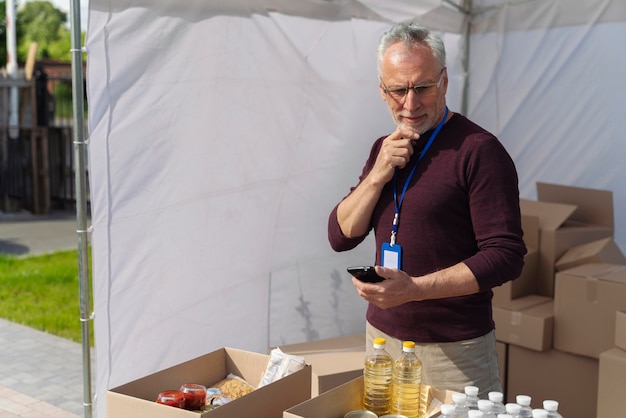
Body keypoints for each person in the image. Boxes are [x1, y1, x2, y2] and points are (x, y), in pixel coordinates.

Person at [327, 22, 526, 396]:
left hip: (453, 351)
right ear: (382, 91)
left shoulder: (480, 151)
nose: (410, 103)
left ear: (445, 82)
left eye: (422, 87)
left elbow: (506, 256)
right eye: (398, 90)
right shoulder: (383, 148)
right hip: (382, 341)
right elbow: (340, 237)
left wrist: (414, 289)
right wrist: (377, 175)